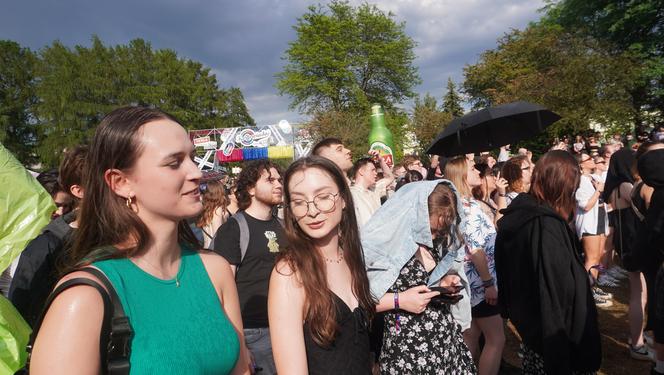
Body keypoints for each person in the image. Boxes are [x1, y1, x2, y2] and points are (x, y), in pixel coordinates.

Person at [29, 106, 248, 374]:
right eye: (173, 162)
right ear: (120, 182)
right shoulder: (83, 298)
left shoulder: (215, 269)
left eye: (192, 157)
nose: (196, 172)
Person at [495, 150, 601, 374]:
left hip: (534, 333)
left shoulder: (525, 215)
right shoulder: (544, 225)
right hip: (554, 343)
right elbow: (555, 292)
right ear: (562, 184)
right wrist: (586, 276)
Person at [268, 156, 374, 374]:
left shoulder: (351, 256)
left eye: (323, 197)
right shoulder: (289, 273)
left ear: (343, 199)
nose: (312, 210)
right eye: (298, 202)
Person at [362, 179, 475, 374]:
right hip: (408, 349)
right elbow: (359, 301)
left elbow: (425, 282)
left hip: (444, 342)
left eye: (438, 231)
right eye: (431, 230)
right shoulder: (382, 244)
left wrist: (443, 283)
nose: (434, 236)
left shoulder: (435, 241)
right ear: (416, 215)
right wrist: (400, 300)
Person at [214, 160, 286, 375]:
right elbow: (222, 290)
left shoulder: (283, 226)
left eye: (279, 179)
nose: (278, 185)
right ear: (251, 189)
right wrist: (240, 344)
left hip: (285, 325)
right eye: (270, 180)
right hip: (253, 332)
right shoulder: (234, 228)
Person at [9, 145, 88, 326]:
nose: (58, 212)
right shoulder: (43, 245)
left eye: (65, 206)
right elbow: (20, 308)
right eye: (53, 206)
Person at [445, 156, 505, 375]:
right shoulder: (466, 209)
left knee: (471, 336)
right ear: (462, 175)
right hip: (479, 283)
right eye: (472, 168)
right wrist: (489, 283)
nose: (479, 172)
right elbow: (476, 251)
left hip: (473, 283)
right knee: (496, 339)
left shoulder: (463, 204)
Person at [602, 148, 649, 359]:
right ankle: (636, 342)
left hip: (624, 239)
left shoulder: (613, 186)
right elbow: (641, 205)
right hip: (632, 239)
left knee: (639, 289)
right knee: (639, 292)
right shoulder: (625, 185)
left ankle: (638, 335)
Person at [575, 153, 612, 307]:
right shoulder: (580, 182)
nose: (592, 160)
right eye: (588, 159)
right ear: (581, 165)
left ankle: (593, 287)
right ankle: (585, 292)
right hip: (589, 223)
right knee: (591, 259)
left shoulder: (595, 178)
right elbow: (586, 205)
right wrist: (598, 191)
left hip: (600, 220)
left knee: (598, 257)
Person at [350, 152, 394, 227]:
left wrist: (381, 160)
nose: (376, 173)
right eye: (372, 170)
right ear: (361, 171)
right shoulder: (351, 193)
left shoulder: (375, 189)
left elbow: (389, 178)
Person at [197, 178, 231, 248]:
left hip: (206, 249)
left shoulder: (205, 209)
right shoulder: (217, 209)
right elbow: (217, 235)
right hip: (215, 250)